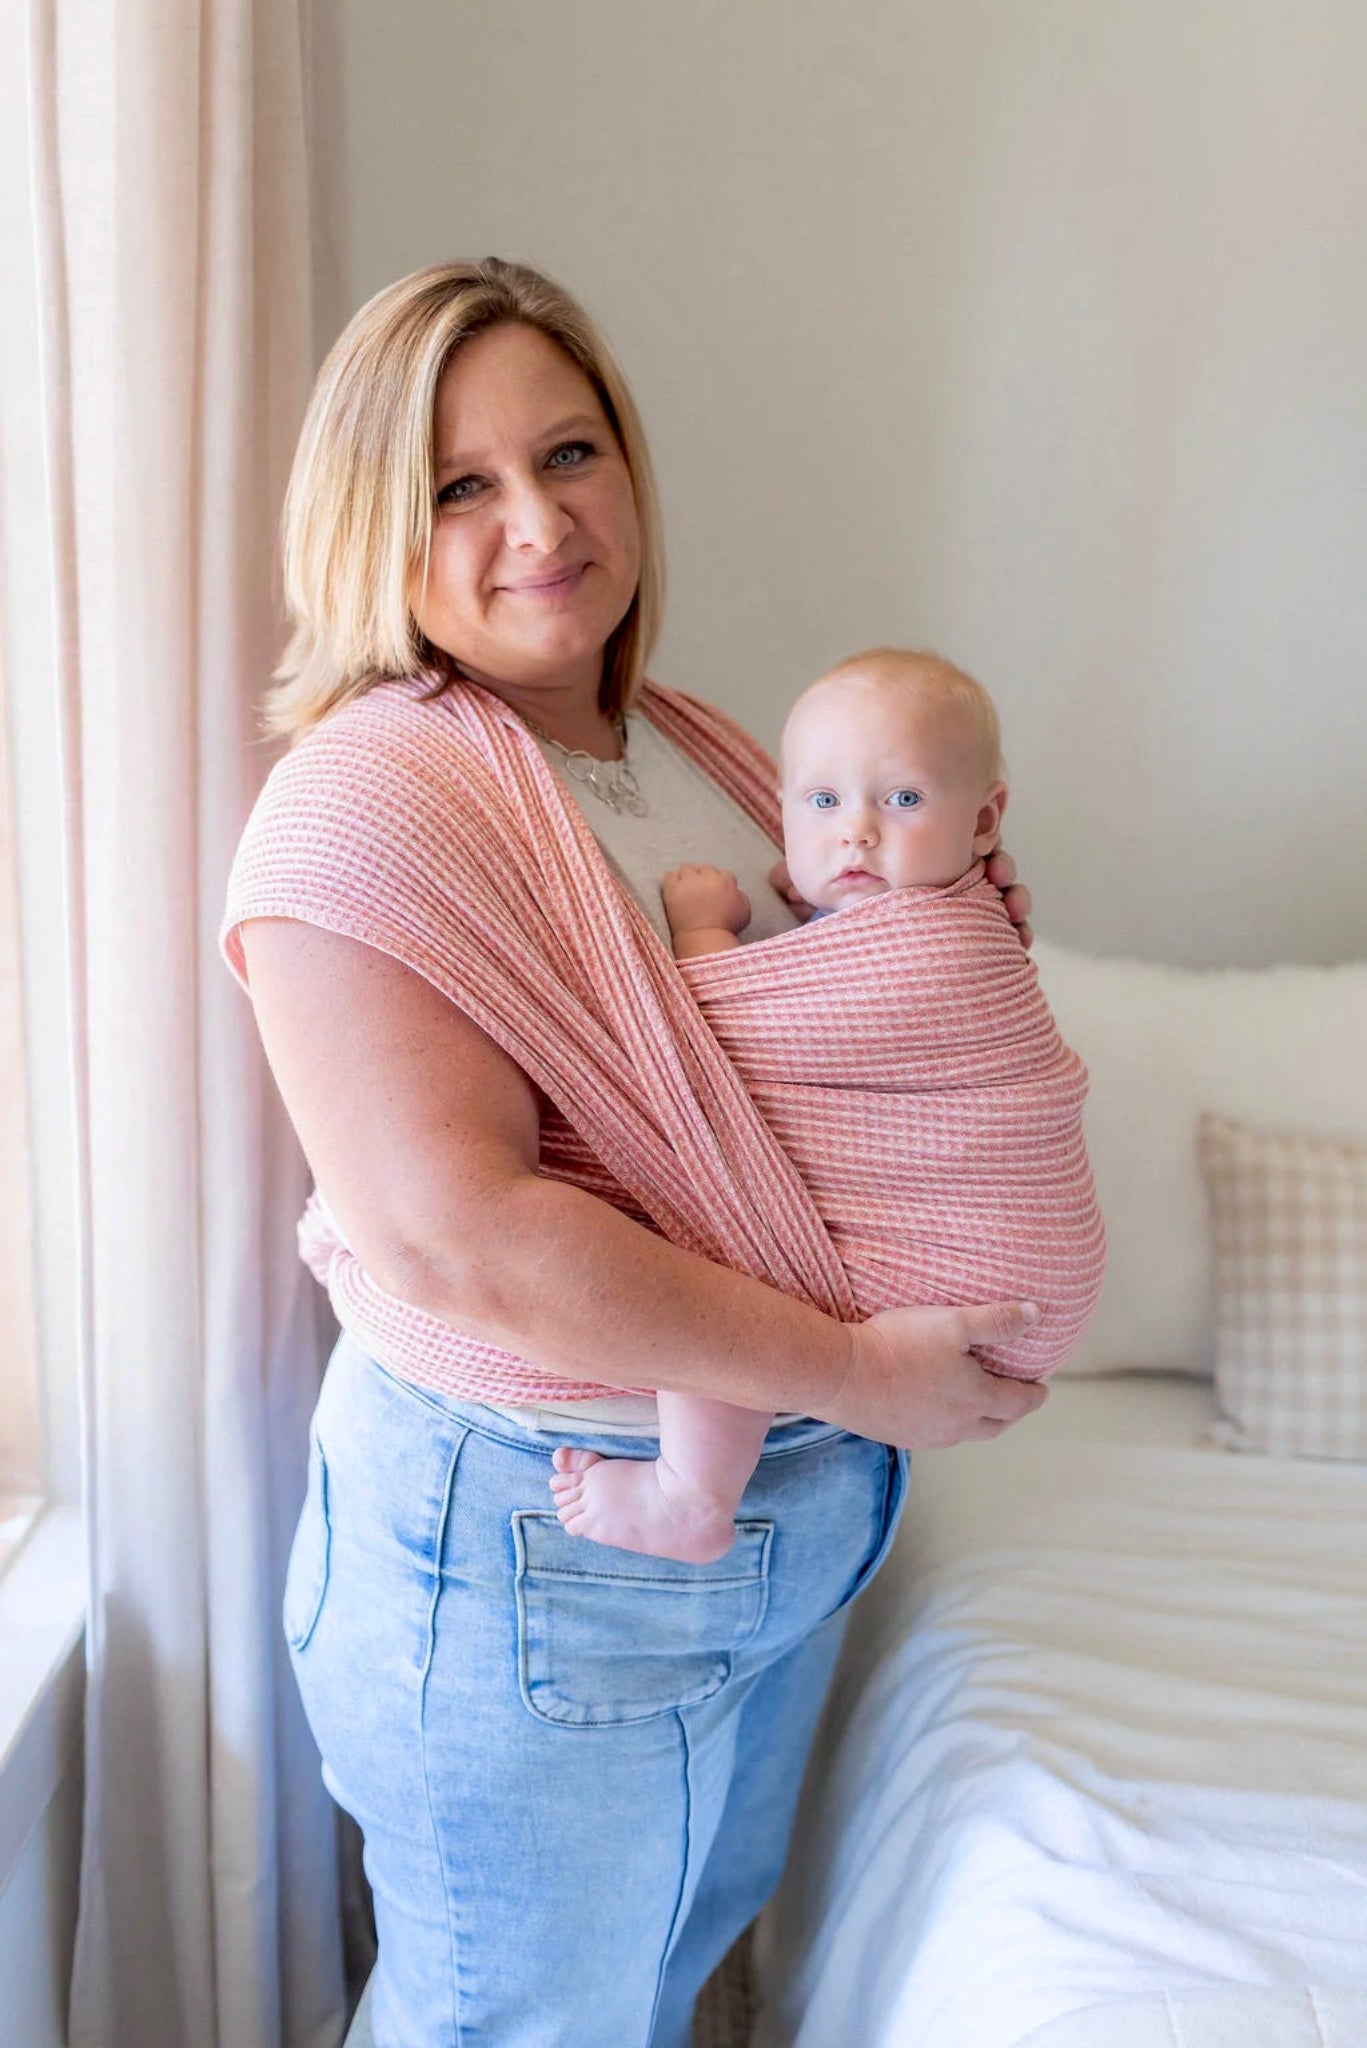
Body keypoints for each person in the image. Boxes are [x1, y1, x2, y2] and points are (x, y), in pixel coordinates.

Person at [221, 257, 1045, 2048]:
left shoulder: (690, 743)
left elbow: (817, 1055)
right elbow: (456, 1234)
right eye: (460, 483)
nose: (538, 521)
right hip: (547, 1544)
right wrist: (854, 1372)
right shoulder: (364, 802)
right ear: (372, 522)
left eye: (569, 452)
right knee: (519, 2025)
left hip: (759, 1517)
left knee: (653, 1991)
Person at [549, 647, 1103, 1566]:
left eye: (902, 799)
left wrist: (700, 933)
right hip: (1011, 1276)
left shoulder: (942, 944)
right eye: (821, 802)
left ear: (984, 821)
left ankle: (691, 1493)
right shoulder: (903, 917)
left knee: (722, 1254)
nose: (856, 834)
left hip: (982, 1273)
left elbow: (715, 1041)